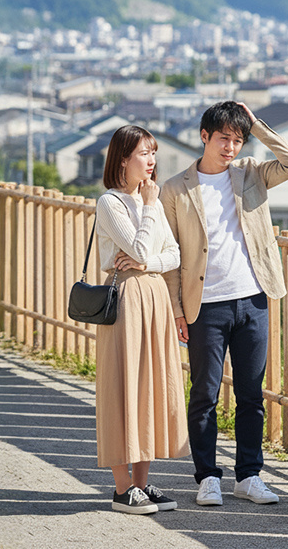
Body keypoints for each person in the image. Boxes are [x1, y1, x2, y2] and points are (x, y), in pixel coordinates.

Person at [160, 100, 288, 507]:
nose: (230, 147)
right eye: (224, 138)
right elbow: (171, 256)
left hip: (253, 298)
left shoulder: (251, 173)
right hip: (204, 304)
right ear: (204, 136)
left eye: (237, 140)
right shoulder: (175, 188)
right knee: (204, 394)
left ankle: (249, 475)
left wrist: (256, 125)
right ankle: (207, 476)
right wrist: (176, 310)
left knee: (251, 395)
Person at [94, 125, 190, 514]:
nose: (150, 161)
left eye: (153, 153)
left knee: (150, 386)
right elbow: (136, 245)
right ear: (122, 159)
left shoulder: (149, 199)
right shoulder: (111, 203)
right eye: (142, 154)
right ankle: (121, 490)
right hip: (126, 298)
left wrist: (147, 260)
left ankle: (142, 484)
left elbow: (173, 254)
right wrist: (150, 209)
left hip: (154, 296)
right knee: (123, 385)